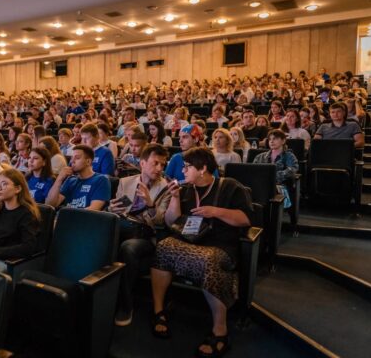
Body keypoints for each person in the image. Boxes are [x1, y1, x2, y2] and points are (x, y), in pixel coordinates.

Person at [152, 147, 253, 356]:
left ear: (202, 168)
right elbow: (171, 222)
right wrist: (175, 198)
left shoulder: (230, 186)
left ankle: (220, 331)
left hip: (219, 245)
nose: (183, 171)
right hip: (189, 240)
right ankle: (158, 310)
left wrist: (215, 211)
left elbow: (245, 219)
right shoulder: (186, 189)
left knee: (209, 259)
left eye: (187, 167)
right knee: (163, 247)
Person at [108, 144, 171, 326]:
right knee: (103, 231)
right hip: (124, 225)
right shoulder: (125, 182)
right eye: (155, 163)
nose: (159, 168)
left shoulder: (166, 188)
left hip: (146, 234)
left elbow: (161, 223)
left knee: (128, 247)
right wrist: (111, 209)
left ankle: (126, 305)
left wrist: (150, 205)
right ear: (142, 163)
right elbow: (120, 210)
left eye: (162, 164)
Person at [45, 145, 110, 211]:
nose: (72, 161)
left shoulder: (101, 180)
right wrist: (59, 179)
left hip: (80, 217)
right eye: (72, 158)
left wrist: (67, 214)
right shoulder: (70, 180)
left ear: (88, 162)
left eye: (77, 158)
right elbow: (50, 205)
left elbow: (94, 209)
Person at [254, 130, 299, 204]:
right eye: (270, 139)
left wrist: (273, 177)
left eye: (275, 138)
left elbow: (292, 170)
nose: (271, 141)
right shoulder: (260, 156)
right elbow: (254, 171)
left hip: (280, 185)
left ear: (283, 141)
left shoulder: (289, 156)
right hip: (261, 184)